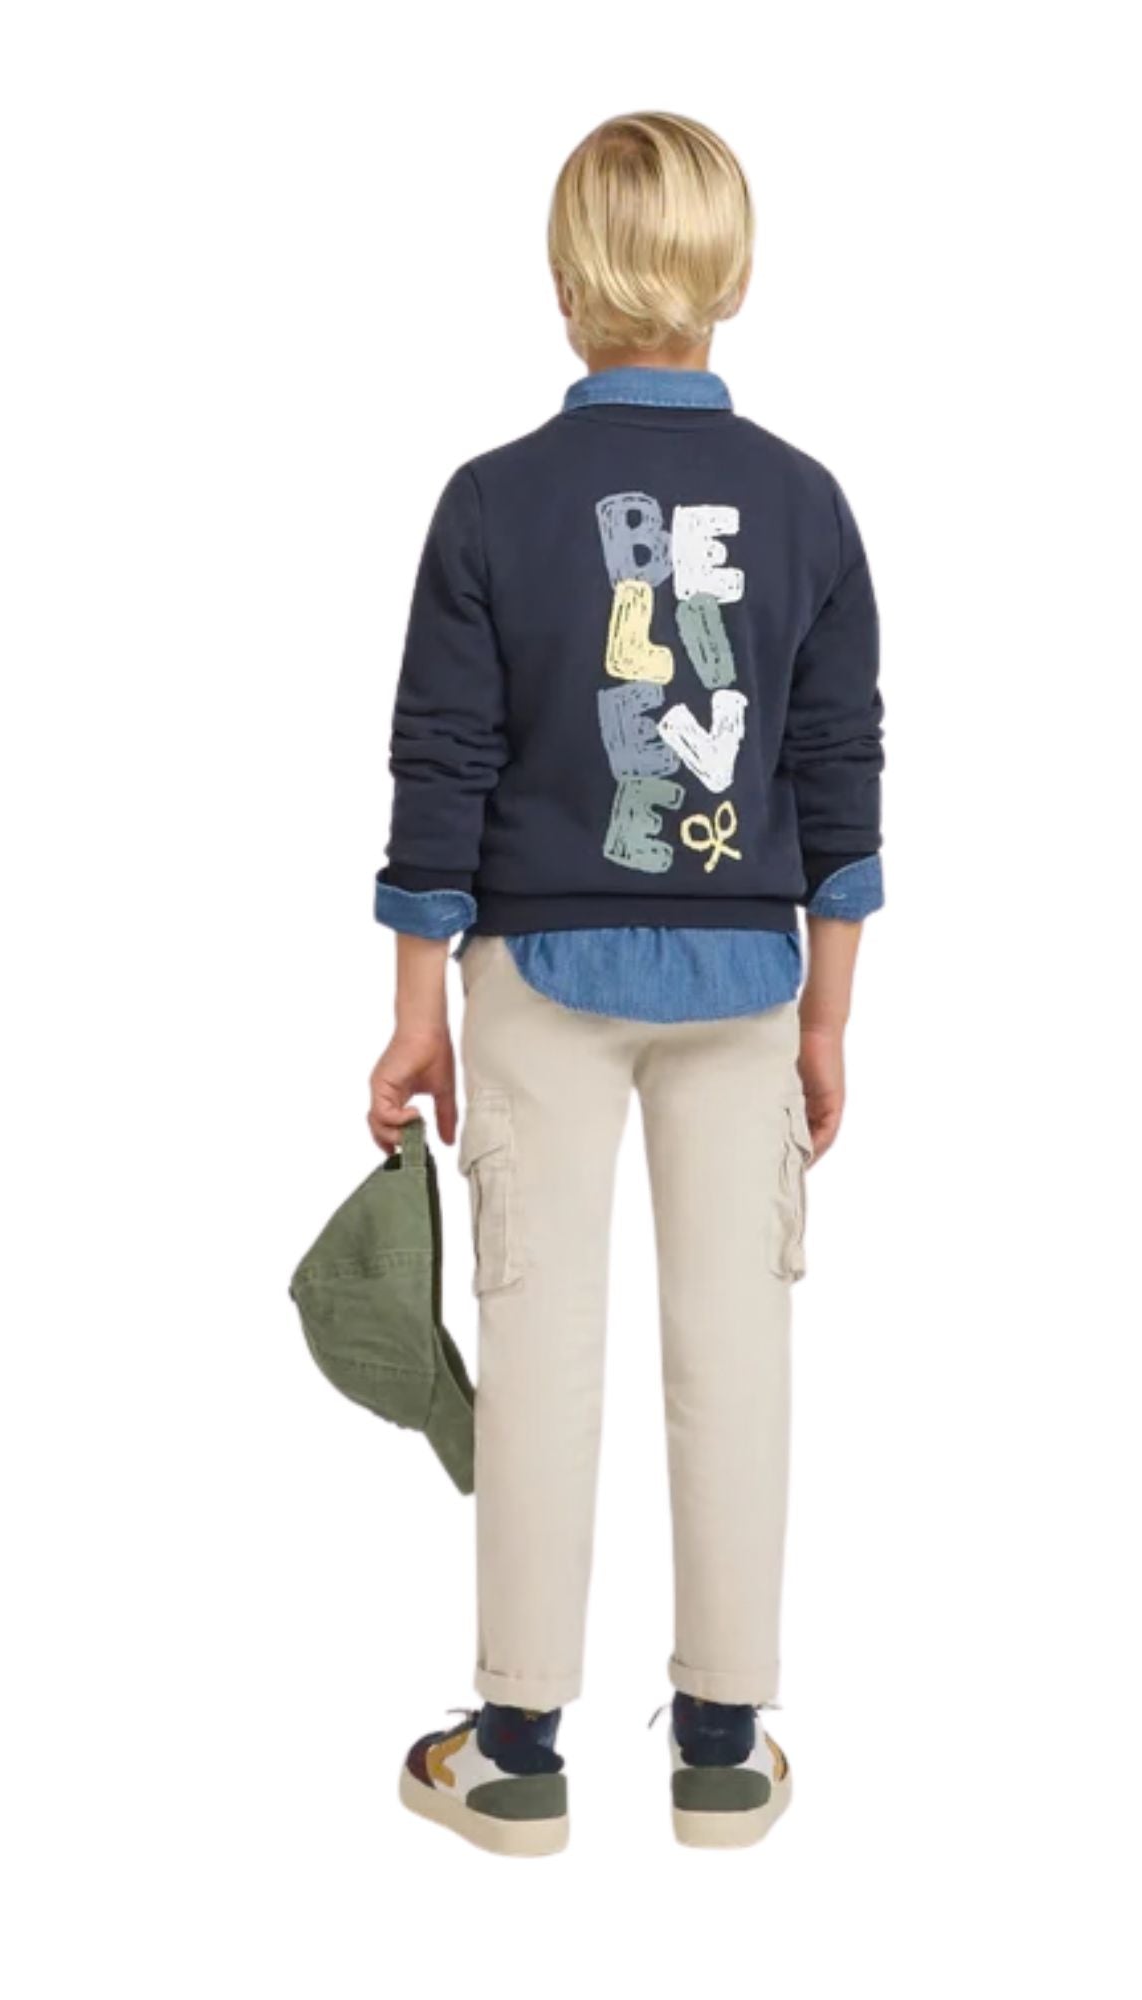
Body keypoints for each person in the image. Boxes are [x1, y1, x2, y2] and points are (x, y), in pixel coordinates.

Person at [366, 111, 884, 1855]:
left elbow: (441, 762)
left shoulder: (489, 501)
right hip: (746, 975)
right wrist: (830, 1011)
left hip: (536, 969)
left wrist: (416, 1007)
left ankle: (517, 1748)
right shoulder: (807, 504)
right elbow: (837, 767)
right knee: (735, 1348)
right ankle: (725, 1744)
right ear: (733, 275)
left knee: (542, 1346)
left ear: (562, 278)